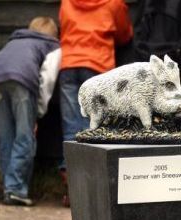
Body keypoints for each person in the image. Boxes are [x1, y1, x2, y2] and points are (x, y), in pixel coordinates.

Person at [58, 0, 133, 206]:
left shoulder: (67, 1)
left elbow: (63, 26)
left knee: (70, 128)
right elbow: (124, 34)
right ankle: (92, 190)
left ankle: (73, 187)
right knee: (96, 128)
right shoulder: (113, 3)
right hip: (98, 67)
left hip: (69, 65)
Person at [0, 16, 59, 206]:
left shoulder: (14, 41)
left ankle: (8, 185)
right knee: (24, 136)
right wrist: (38, 111)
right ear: (53, 34)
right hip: (22, 81)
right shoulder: (52, 46)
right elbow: (48, 79)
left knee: (6, 137)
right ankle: (16, 189)